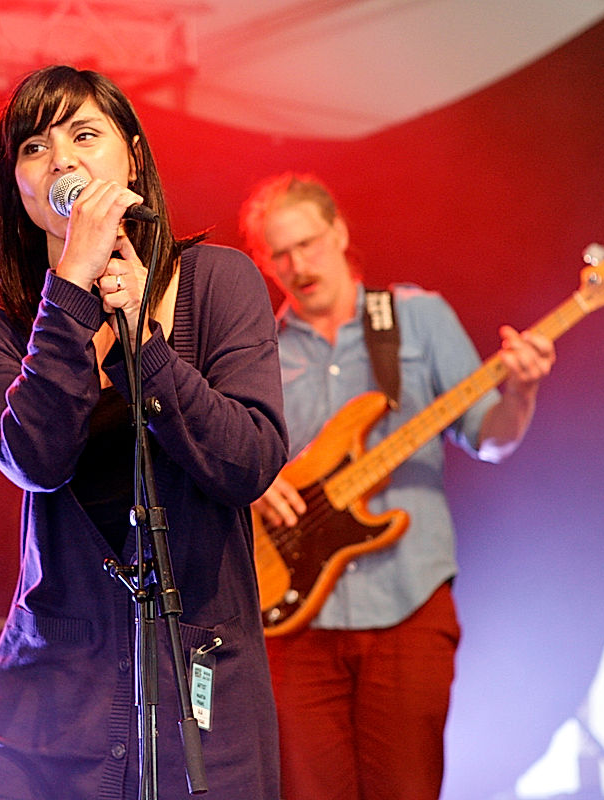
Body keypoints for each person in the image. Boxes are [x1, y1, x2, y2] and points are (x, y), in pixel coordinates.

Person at [0, 65, 289, 800]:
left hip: (202, 696)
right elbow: (36, 456)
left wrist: (148, 344)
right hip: (49, 710)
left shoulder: (219, 282)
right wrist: (69, 289)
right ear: (18, 186)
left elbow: (248, 461)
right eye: (34, 148)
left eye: (84, 135)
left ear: (131, 156)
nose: (62, 159)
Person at [238, 172, 556, 800]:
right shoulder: (255, 350)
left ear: (339, 232)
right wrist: (251, 486)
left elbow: (486, 436)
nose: (298, 265)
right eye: (279, 253)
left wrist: (521, 392)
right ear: (261, 263)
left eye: (308, 243)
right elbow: (229, 460)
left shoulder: (417, 316)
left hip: (409, 600)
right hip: (293, 618)